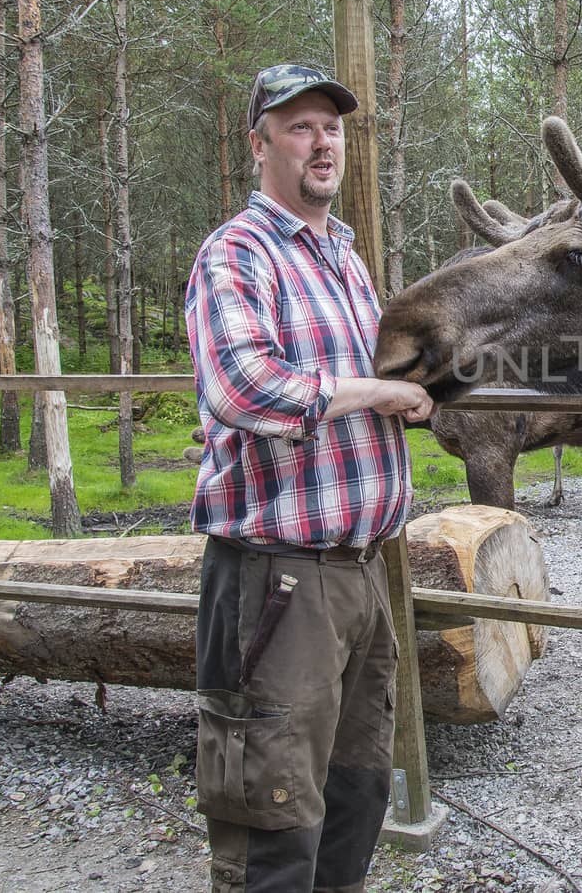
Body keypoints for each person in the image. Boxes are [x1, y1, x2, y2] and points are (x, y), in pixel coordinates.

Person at [185, 63, 433, 893]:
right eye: (299, 126)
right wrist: (377, 392)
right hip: (278, 581)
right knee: (272, 807)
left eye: (331, 127)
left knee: (356, 790)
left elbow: (346, 378)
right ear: (260, 146)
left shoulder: (343, 256)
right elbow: (242, 385)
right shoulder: (236, 253)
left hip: (360, 572)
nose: (322, 142)